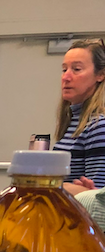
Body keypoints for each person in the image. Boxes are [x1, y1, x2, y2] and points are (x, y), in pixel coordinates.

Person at [53, 39, 105, 195]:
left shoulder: (98, 126)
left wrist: (59, 188)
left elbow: (99, 198)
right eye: (64, 69)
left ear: (100, 75)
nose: (66, 77)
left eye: (76, 69)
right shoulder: (72, 122)